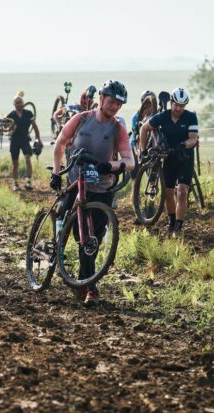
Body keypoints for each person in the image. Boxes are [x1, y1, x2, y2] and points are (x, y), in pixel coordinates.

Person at [50, 80, 134, 307]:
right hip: (76, 182)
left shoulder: (117, 128)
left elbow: (130, 161)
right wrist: (56, 173)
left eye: (119, 104)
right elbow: (60, 144)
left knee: (91, 240)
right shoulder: (81, 119)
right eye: (112, 101)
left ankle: (87, 284)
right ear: (101, 99)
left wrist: (112, 165)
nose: (115, 106)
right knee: (74, 230)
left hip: (102, 189)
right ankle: (74, 273)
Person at [139, 87, 198, 236]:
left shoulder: (190, 117)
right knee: (167, 192)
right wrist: (143, 151)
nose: (178, 108)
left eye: (182, 106)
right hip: (169, 158)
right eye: (176, 104)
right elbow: (144, 128)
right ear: (171, 102)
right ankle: (171, 222)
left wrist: (182, 145)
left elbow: (193, 139)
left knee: (182, 192)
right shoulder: (163, 116)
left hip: (185, 158)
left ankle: (178, 227)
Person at [5, 94, 42, 191]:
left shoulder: (28, 113)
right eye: (16, 103)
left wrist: (38, 139)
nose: (18, 104)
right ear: (14, 104)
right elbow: (5, 127)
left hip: (25, 139)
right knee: (15, 163)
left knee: (28, 159)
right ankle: (15, 183)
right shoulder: (11, 115)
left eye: (20, 102)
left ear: (23, 103)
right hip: (14, 141)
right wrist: (6, 126)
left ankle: (29, 182)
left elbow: (35, 127)